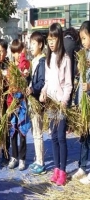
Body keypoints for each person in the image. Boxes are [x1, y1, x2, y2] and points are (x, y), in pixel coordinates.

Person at [39, 23, 72, 186]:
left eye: (54, 39)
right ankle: (56, 170)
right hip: (51, 104)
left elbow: (69, 85)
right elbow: (46, 82)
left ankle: (63, 171)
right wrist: (44, 92)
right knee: (53, 137)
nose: (51, 42)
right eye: (49, 39)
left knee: (61, 137)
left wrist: (64, 101)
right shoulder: (48, 58)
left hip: (61, 104)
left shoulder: (65, 59)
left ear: (59, 39)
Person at [7, 39, 31, 171]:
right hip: (12, 103)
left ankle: (22, 159)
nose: (16, 55)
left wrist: (23, 57)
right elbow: (9, 85)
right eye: (14, 52)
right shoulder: (11, 67)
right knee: (13, 131)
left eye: (18, 52)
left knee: (22, 131)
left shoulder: (25, 65)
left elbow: (26, 79)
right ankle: (14, 157)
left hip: (22, 103)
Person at [26, 31, 46, 175]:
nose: (31, 46)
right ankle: (37, 159)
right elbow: (33, 81)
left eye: (33, 44)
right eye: (30, 43)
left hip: (38, 100)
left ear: (40, 44)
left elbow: (41, 82)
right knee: (34, 131)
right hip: (32, 99)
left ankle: (41, 162)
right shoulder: (34, 60)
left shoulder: (42, 61)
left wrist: (32, 88)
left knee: (38, 132)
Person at [72, 21, 90, 184]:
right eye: (81, 39)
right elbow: (80, 74)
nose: (83, 42)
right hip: (84, 100)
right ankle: (83, 166)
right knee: (84, 135)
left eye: (85, 38)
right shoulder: (84, 54)